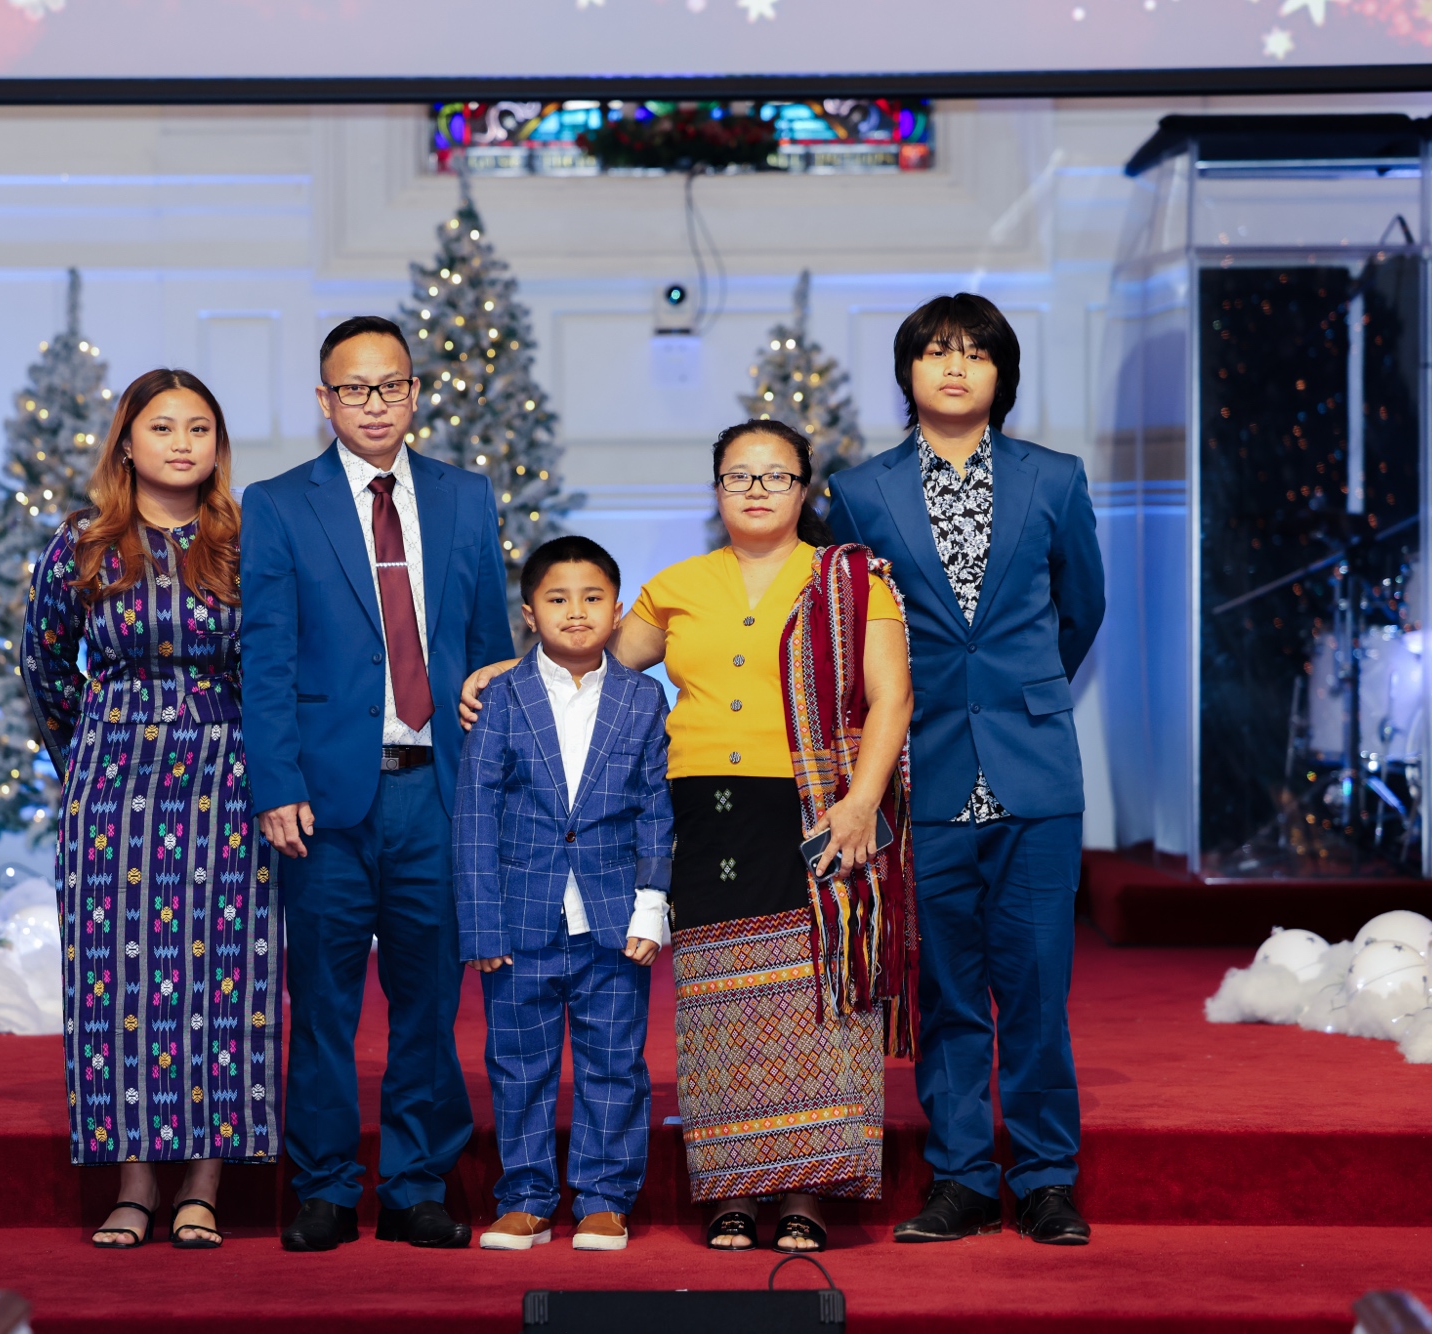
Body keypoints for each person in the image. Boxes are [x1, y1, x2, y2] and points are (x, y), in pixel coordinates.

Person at [462, 421, 916, 1254]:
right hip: (703, 820)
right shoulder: (676, 586)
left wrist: (861, 803)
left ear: (804, 488)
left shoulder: (853, 583)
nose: (756, 489)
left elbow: (893, 698)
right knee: (720, 1012)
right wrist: (505, 674)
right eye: (738, 475)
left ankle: (807, 1194)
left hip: (814, 812)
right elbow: (592, 662)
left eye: (775, 476)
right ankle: (734, 1192)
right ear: (716, 488)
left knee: (815, 1007)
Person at [825, 293, 1105, 1247]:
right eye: (937, 352)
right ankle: (962, 1179)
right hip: (924, 769)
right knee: (945, 994)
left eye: (976, 353)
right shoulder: (861, 492)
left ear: (1001, 375)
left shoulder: (1054, 478)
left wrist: (1024, 691)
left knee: (1035, 990)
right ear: (908, 373)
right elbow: (850, 628)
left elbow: (1082, 608)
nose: (955, 367)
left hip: (1034, 771)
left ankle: (1048, 1179)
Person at [240, 314, 515, 1252]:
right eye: (353, 389)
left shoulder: (465, 497)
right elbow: (266, 656)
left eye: (390, 386)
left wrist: (492, 784)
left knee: (429, 1003)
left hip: (435, 792)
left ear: (414, 393)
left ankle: (414, 1185)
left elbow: (489, 649)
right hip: (322, 798)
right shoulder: (280, 504)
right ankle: (323, 1186)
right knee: (322, 1003)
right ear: (324, 400)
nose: (373, 404)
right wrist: (275, 782)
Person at [22, 368, 279, 1251]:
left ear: (218, 445)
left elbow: (274, 663)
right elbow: (44, 665)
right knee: (114, 982)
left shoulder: (246, 540)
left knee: (222, 977)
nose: (181, 443)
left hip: (228, 776)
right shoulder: (83, 542)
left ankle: (204, 1185)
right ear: (127, 442)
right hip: (112, 785)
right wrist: (88, 754)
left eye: (199, 428)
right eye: (162, 426)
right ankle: (133, 1184)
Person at [453, 536, 672, 1254]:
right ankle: (525, 1197)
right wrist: (481, 926)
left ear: (617, 610)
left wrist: (651, 905)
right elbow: (476, 812)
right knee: (520, 1065)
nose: (575, 612)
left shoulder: (643, 698)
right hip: (521, 921)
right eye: (557, 598)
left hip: (613, 918)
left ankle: (605, 1197)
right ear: (529, 613)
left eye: (592, 598)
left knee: (615, 1061)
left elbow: (656, 808)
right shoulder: (501, 697)